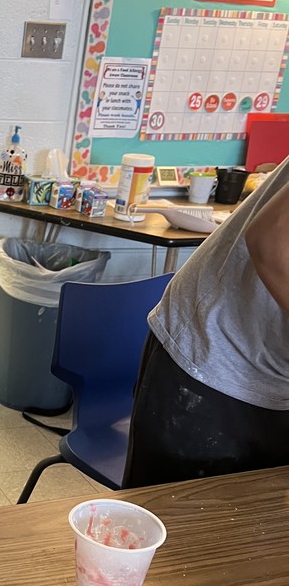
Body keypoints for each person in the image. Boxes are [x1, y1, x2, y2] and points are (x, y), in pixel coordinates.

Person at [123, 156, 289, 488]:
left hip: (276, 369)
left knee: (255, 525)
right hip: (217, 354)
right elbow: (273, 242)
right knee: (178, 520)